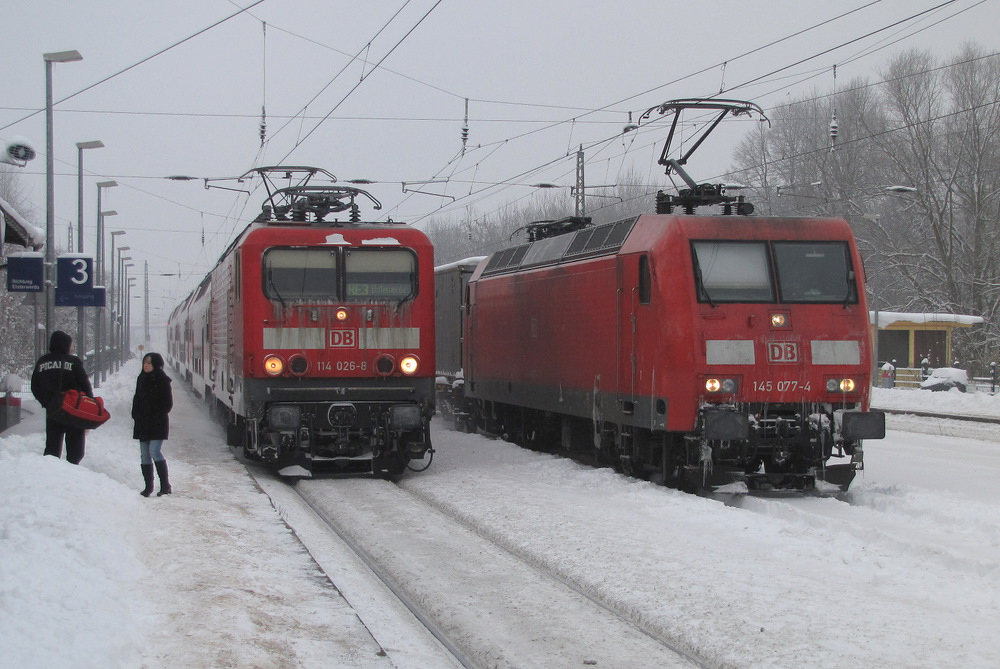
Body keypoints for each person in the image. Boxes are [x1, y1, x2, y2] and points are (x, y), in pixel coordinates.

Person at [30, 330, 94, 465]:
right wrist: (88, 409)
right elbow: (85, 386)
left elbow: (35, 387)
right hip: (73, 411)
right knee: (76, 451)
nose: (72, 348)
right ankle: (72, 470)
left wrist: (47, 403)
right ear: (65, 345)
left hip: (53, 410)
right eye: (70, 345)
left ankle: (51, 471)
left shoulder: (42, 362)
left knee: (52, 448)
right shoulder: (74, 362)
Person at [131, 352, 173, 497]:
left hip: (157, 423)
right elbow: (136, 399)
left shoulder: (162, 380)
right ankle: (148, 487)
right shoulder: (141, 378)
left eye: (149, 363)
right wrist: (135, 414)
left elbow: (168, 404)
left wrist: (155, 414)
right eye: (144, 362)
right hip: (142, 423)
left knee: (154, 451)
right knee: (144, 455)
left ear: (155, 364)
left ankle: (165, 485)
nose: (146, 365)